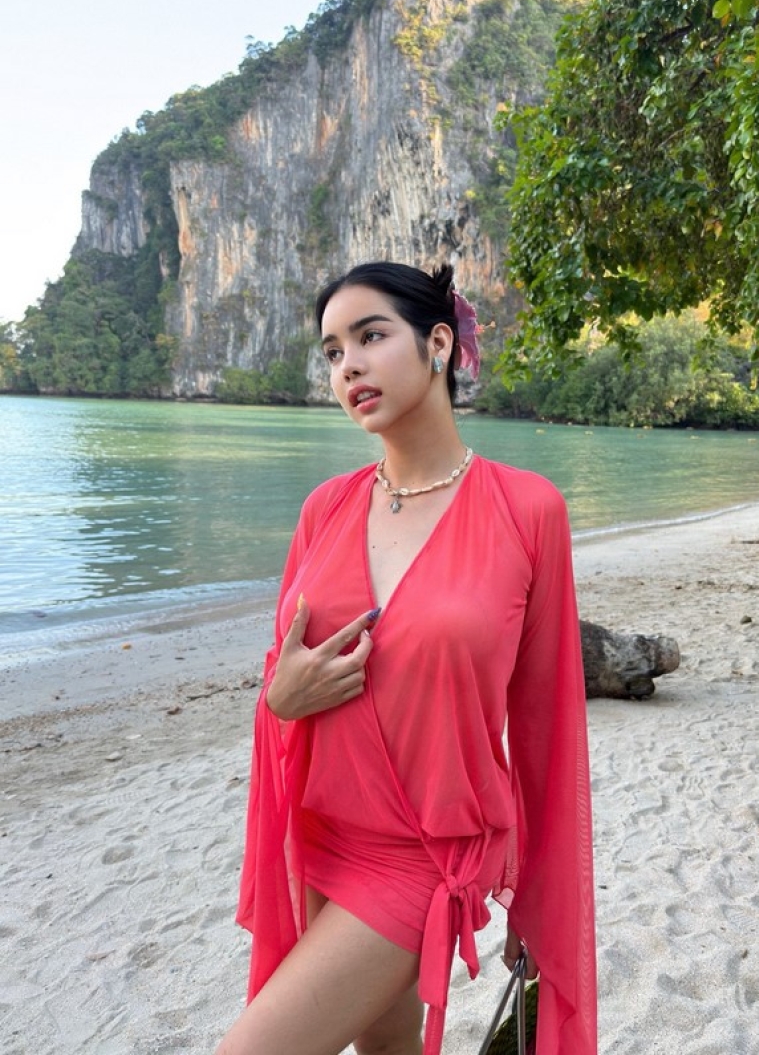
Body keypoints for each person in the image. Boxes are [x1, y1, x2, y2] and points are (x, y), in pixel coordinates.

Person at [216, 262, 596, 1055]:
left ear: (439, 344)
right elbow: (283, 680)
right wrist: (279, 699)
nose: (348, 366)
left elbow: (545, 727)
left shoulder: (528, 511)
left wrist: (540, 898)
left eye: (370, 336)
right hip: (317, 834)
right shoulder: (325, 508)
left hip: (422, 855)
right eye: (332, 352)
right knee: (384, 1049)